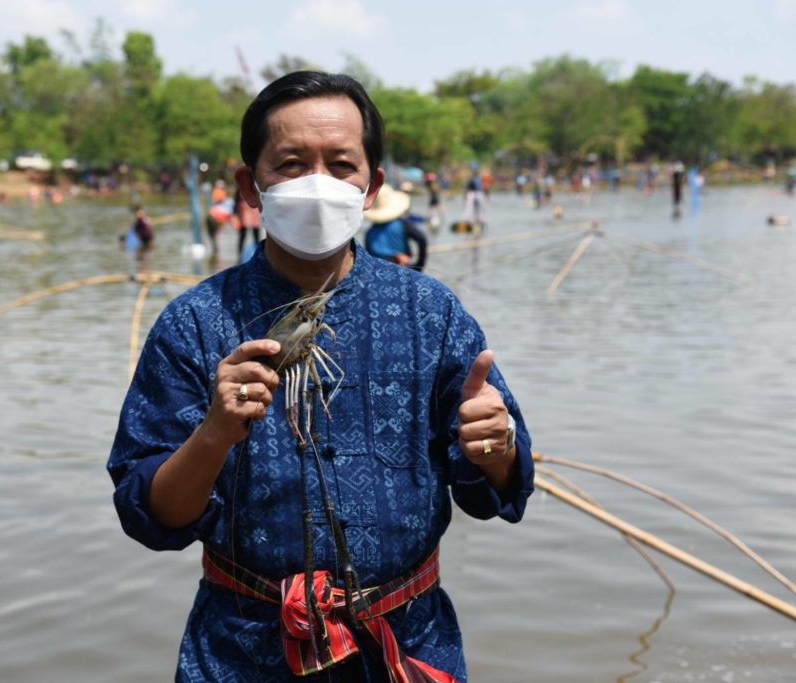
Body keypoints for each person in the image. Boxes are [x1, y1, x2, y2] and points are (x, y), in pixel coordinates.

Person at [107, 71, 533, 682]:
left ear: (372, 185)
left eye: (340, 165)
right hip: (242, 652)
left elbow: (498, 484)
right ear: (249, 187)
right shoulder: (194, 324)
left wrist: (495, 446)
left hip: (408, 645)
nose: (317, 183)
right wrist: (214, 434)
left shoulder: (431, 312)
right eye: (290, 163)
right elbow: (149, 514)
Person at [364, 183, 428, 271]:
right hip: (403, 270)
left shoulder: (369, 233)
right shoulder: (402, 224)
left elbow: (368, 260)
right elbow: (422, 239)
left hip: (380, 274)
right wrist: (419, 265)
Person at [233, 186, 261, 261]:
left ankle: (258, 254)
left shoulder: (255, 185)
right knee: (244, 234)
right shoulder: (242, 186)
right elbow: (236, 199)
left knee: (255, 235)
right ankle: (239, 255)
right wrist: (235, 213)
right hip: (245, 210)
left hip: (253, 210)